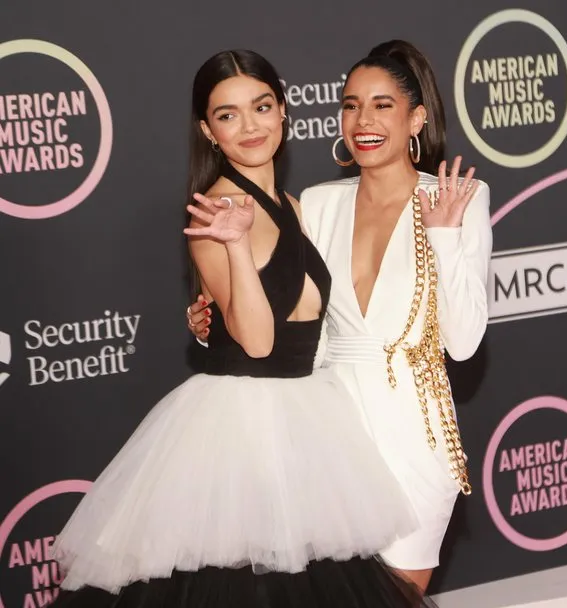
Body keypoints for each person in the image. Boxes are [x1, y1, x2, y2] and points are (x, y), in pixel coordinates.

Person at [52, 49, 426, 608]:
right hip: (240, 429)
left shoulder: (296, 207)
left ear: (284, 112)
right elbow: (256, 340)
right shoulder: (213, 215)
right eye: (228, 115)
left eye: (261, 107)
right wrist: (232, 247)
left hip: (307, 419)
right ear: (208, 130)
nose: (249, 126)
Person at [187, 40, 493, 595]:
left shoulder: (458, 198)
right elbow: (292, 313)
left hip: (414, 430)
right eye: (351, 105)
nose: (364, 120)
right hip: (326, 432)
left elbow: (466, 342)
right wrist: (214, 315)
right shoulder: (317, 202)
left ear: (416, 118)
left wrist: (445, 237)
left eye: (382, 105)